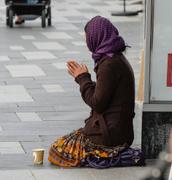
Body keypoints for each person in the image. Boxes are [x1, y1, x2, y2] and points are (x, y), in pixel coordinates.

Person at [48, 16, 135, 168]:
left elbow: (97, 103)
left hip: (109, 134)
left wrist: (82, 78)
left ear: (96, 38)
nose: (87, 42)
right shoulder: (115, 58)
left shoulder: (108, 64)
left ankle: (110, 154)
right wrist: (84, 79)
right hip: (118, 130)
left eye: (87, 38)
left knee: (58, 149)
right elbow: (107, 94)